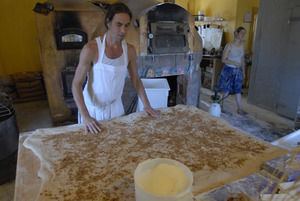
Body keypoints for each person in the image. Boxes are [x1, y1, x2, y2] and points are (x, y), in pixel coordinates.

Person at [72, 3, 160, 134]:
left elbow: (135, 79)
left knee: (118, 146)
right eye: (118, 25)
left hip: (116, 108)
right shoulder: (91, 49)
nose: (123, 31)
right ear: (108, 23)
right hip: (92, 110)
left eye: (127, 25)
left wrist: (146, 104)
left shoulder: (129, 50)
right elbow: (76, 83)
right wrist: (85, 115)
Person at [218, 27, 247, 115]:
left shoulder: (242, 46)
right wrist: (234, 62)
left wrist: (243, 71)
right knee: (226, 89)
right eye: (242, 33)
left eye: (244, 33)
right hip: (229, 70)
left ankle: (240, 108)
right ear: (236, 33)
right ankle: (223, 107)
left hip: (238, 71)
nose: (243, 35)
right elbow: (223, 59)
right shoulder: (229, 45)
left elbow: (242, 59)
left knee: (238, 89)